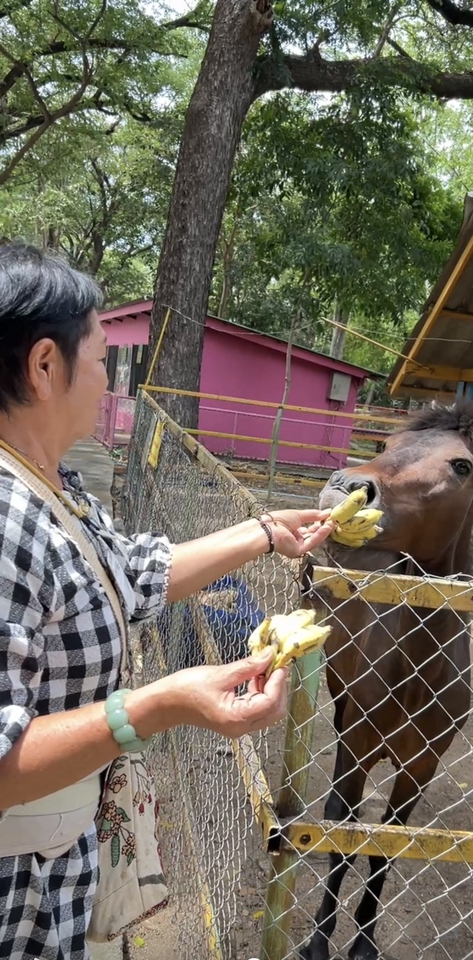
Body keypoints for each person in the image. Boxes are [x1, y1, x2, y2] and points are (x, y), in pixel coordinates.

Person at [0, 244, 334, 960]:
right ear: (44, 366)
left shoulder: (48, 485)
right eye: (100, 359)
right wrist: (156, 706)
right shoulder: (3, 517)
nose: (108, 382)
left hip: (62, 860)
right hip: (17, 893)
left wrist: (265, 532)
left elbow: (127, 572)